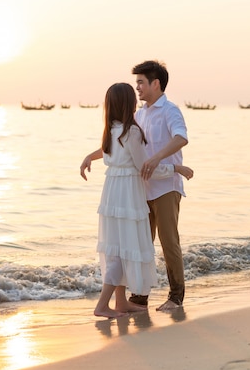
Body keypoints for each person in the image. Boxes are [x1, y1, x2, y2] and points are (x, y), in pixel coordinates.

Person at [81, 60, 189, 312]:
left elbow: (181, 138)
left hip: (164, 186)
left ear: (156, 83)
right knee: (139, 243)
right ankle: (138, 298)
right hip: (140, 190)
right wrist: (91, 155)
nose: (137, 87)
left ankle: (176, 297)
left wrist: (157, 158)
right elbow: (120, 146)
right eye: (136, 82)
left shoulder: (170, 111)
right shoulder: (139, 114)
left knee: (168, 241)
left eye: (141, 82)